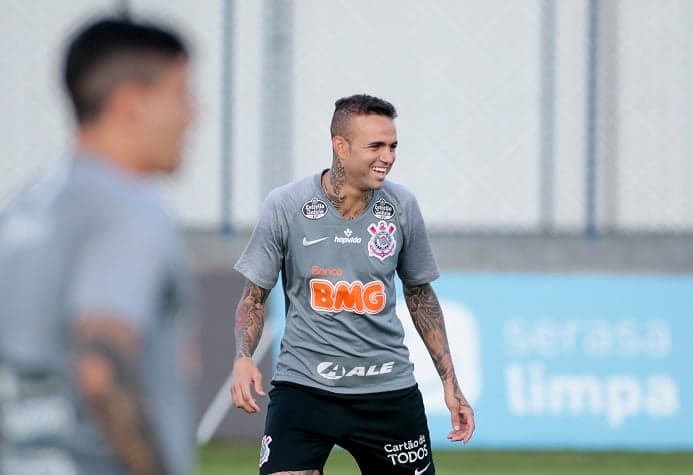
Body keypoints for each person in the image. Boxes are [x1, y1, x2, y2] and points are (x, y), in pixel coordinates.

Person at [230, 94, 475, 475]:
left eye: (393, 146)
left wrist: (450, 383)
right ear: (340, 147)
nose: (388, 157)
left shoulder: (402, 206)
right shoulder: (285, 206)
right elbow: (254, 297)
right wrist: (243, 357)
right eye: (375, 146)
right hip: (304, 386)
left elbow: (420, 295)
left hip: (386, 391)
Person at [0, 17, 197, 475]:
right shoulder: (128, 209)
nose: (194, 113)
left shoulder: (25, 210)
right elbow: (102, 368)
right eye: (181, 93)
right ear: (131, 103)